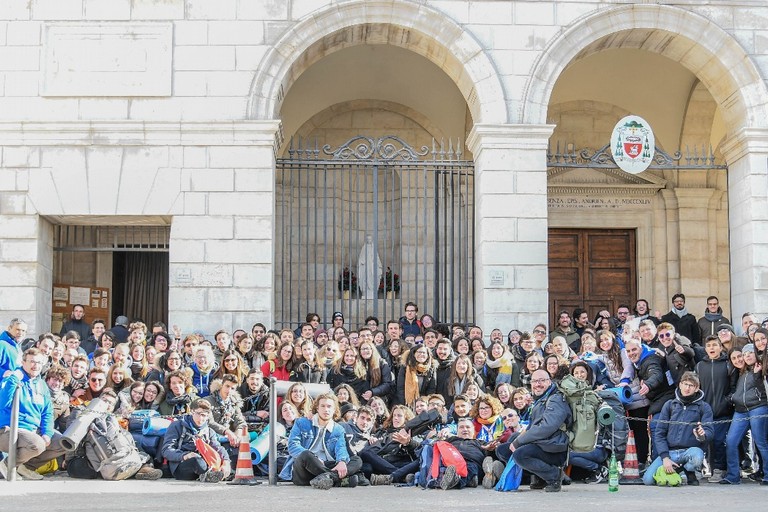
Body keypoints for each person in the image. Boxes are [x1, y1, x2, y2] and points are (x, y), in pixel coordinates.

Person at [0, 348, 68, 480]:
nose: (35, 365)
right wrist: (14, 379)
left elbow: (47, 413)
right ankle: (8, 465)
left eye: (38, 362)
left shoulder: (42, 385)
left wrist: (47, 434)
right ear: (23, 362)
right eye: (32, 362)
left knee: (62, 443)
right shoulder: (13, 379)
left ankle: (26, 467)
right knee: (37, 444)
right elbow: (3, 403)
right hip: (9, 430)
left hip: (32, 430)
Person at [642, 372, 713, 486]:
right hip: (670, 452)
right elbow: (660, 434)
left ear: (696, 388)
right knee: (648, 480)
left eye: (691, 385)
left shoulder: (704, 407)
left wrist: (702, 435)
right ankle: (676, 471)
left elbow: (709, 431)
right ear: (680, 385)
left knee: (697, 456)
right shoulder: (669, 405)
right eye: (685, 384)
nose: (687, 388)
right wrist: (665, 458)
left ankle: (688, 471)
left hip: (690, 451)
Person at [280, 392, 363, 489]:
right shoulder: (302, 422)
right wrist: (315, 458)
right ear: (317, 408)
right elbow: (293, 446)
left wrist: (342, 462)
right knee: (306, 455)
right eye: (322, 406)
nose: (326, 409)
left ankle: (329, 478)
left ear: (334, 410)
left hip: (326, 464)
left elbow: (341, 448)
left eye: (329, 406)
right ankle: (337, 479)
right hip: (305, 469)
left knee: (357, 460)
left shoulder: (338, 429)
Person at [509, 369, 572, 492]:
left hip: (555, 448)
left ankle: (555, 476)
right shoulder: (541, 398)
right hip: (544, 443)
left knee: (520, 454)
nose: (538, 384)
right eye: (535, 381)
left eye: (542, 380)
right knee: (505, 448)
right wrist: (517, 439)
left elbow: (546, 427)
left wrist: (519, 441)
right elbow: (533, 426)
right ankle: (540, 477)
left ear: (549, 381)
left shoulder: (556, 399)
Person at [720, 343, 768, 485]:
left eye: (749, 354)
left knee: (761, 442)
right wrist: (731, 399)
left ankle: (767, 475)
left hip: (758, 407)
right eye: (744, 354)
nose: (745, 357)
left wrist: (758, 374)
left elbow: (763, 390)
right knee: (731, 441)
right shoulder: (740, 372)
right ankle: (733, 476)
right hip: (741, 410)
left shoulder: (761, 368)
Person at [695, 335, 735, 483]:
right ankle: (704, 467)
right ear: (705, 349)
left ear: (720, 347)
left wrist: (726, 401)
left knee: (719, 441)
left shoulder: (728, 365)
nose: (712, 348)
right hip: (705, 412)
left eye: (714, 345)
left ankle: (719, 469)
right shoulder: (700, 366)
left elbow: (733, 387)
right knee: (705, 441)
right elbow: (697, 388)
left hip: (723, 411)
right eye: (709, 345)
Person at [161, 399, 231, 482]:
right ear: (192, 412)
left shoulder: (209, 431)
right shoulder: (177, 426)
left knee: (224, 456)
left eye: (204, 415)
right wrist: (185, 455)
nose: (201, 418)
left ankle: (214, 474)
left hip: (205, 462)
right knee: (196, 461)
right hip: (181, 465)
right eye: (198, 414)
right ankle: (211, 475)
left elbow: (217, 448)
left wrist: (226, 462)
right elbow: (166, 450)